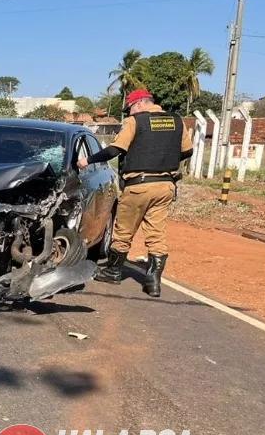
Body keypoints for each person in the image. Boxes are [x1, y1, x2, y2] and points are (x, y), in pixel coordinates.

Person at [77, 89, 193, 297]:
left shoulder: (135, 121)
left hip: (139, 185)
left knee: (123, 230)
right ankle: (153, 282)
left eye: (130, 108)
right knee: (156, 233)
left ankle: (113, 272)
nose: (129, 113)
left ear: (139, 104)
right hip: (165, 185)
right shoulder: (176, 120)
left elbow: (115, 150)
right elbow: (187, 151)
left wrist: (88, 160)